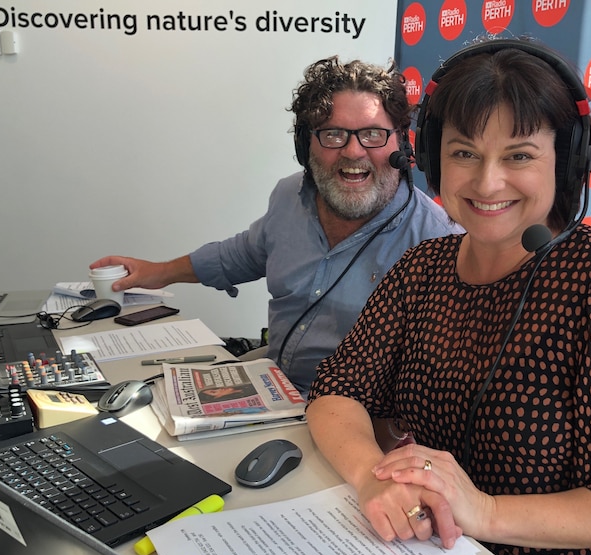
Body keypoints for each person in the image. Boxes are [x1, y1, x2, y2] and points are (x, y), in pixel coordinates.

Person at [306, 38, 591, 555]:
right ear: (430, 159)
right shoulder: (422, 270)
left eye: (519, 155)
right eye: (464, 153)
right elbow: (337, 391)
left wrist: (486, 512)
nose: (487, 181)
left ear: (566, 164)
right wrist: (369, 478)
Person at [90, 55, 460, 399]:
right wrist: (158, 272)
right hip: (271, 386)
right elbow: (243, 254)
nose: (353, 151)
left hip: (358, 421)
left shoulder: (437, 242)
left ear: (402, 145)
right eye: (333, 134)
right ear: (305, 145)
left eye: (373, 135)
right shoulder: (289, 197)